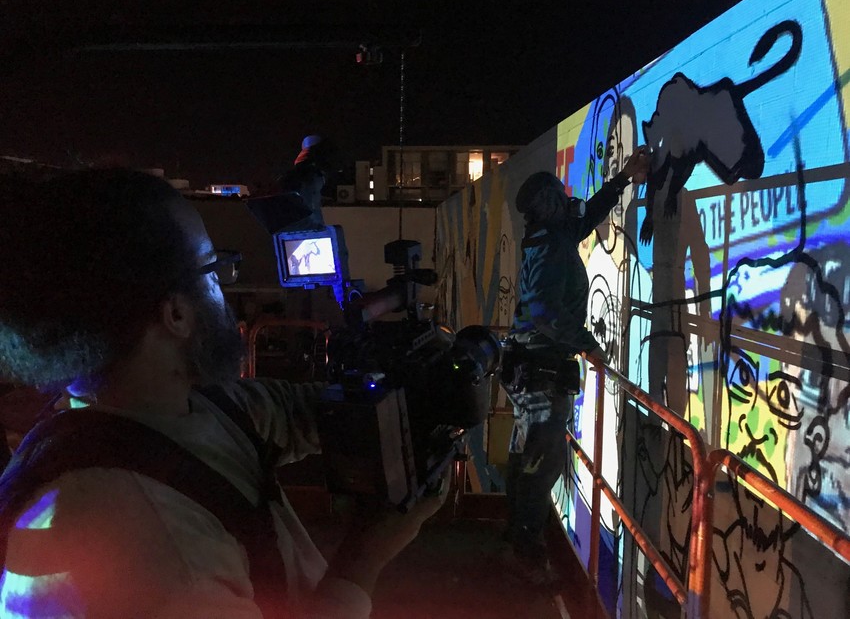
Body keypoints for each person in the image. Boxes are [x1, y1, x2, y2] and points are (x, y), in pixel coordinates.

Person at [0, 169, 447, 618]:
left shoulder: (181, 409)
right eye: (215, 268)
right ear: (176, 312)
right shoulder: (149, 541)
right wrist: (365, 553)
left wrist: (420, 382)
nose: (225, 288)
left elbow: (299, 411)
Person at [503, 148, 650, 585]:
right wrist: (589, 346)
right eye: (559, 194)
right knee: (542, 461)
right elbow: (545, 314)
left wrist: (623, 178)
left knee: (529, 454)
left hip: (530, 369)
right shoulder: (550, 249)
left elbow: (584, 220)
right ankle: (524, 554)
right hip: (542, 370)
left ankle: (517, 537)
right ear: (547, 204)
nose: (568, 198)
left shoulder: (549, 237)